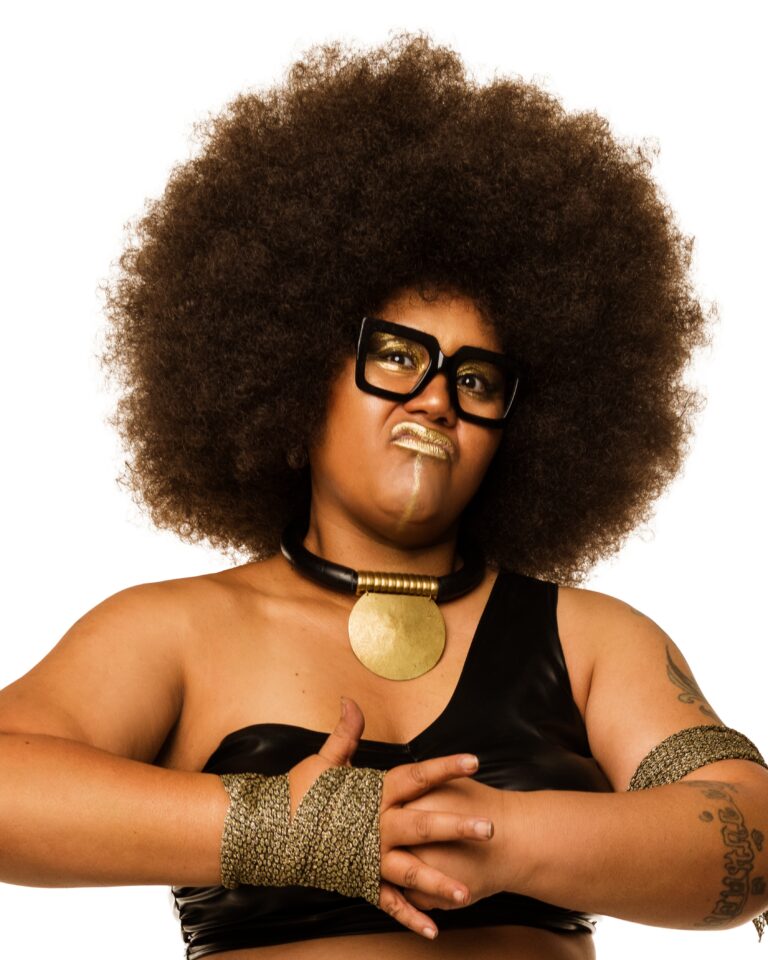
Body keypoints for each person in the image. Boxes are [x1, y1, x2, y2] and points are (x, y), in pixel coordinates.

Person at [1, 29, 767, 960]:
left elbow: (751, 837)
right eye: (398, 357)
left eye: (475, 380)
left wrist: (491, 836)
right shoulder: (175, 631)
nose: (437, 399)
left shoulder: (593, 640)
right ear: (292, 377)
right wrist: (280, 828)